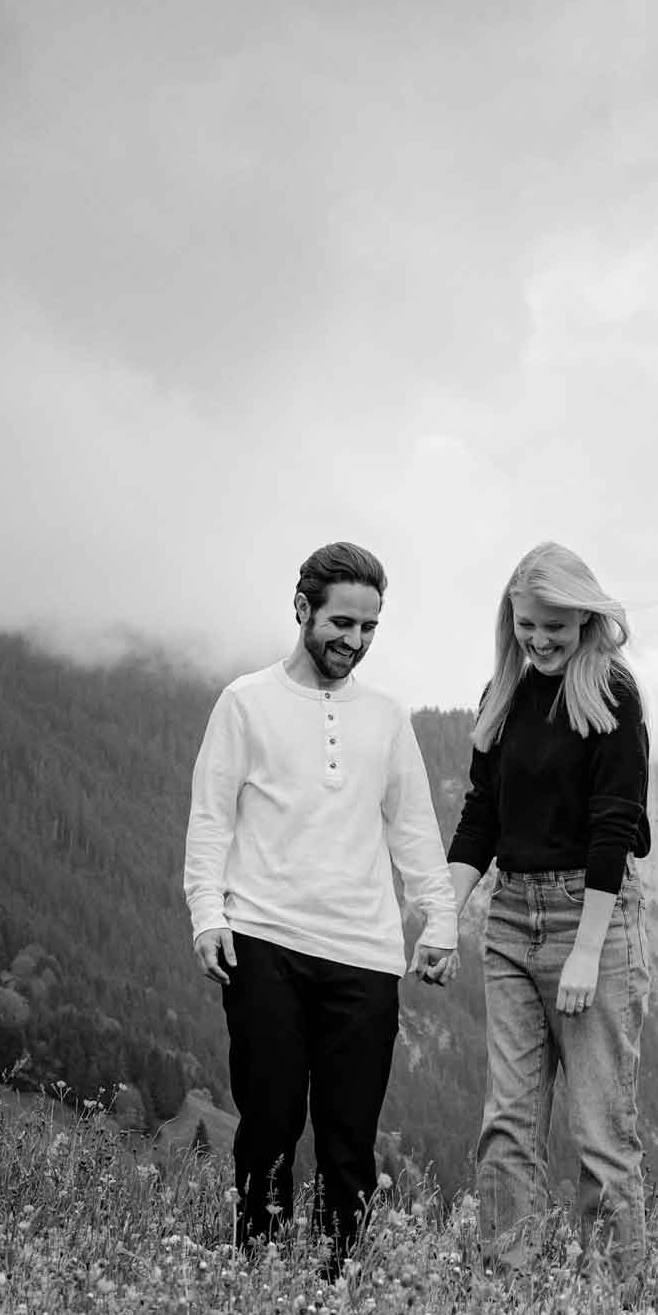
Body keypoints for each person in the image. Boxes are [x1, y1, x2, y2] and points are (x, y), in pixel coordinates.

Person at [184, 541, 458, 1271]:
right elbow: (212, 819)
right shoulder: (245, 703)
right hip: (263, 938)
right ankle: (259, 1277)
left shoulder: (386, 717)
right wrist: (207, 915)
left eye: (370, 628)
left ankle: (339, 1288)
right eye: (342, 623)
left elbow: (412, 825)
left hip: (364, 953)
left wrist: (441, 917)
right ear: (302, 608)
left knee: (349, 1137)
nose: (355, 642)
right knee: (269, 1125)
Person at [446, 542, 651, 1289]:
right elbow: (480, 820)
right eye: (528, 626)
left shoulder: (612, 695)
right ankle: (508, 1296)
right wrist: (446, 917)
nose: (540, 641)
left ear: (587, 620)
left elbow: (615, 826)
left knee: (601, 1135)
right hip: (509, 920)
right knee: (507, 1125)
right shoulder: (502, 695)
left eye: (555, 628)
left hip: (589, 918)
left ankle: (617, 1314)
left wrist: (587, 953)